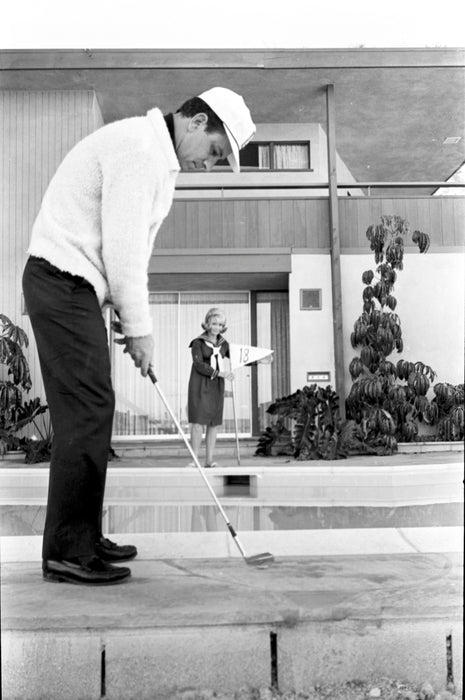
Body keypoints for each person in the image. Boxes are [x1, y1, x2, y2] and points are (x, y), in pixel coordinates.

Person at [22, 88, 256, 585]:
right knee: (86, 408)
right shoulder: (140, 149)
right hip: (61, 279)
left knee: (94, 407)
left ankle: (83, 536)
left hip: (78, 285)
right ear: (194, 121)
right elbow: (125, 251)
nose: (210, 166)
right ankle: (67, 550)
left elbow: (132, 257)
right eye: (214, 152)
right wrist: (142, 329)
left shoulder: (159, 162)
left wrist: (131, 323)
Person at [187, 308, 234, 468]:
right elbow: (198, 365)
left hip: (216, 386)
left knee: (213, 424)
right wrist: (221, 373)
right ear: (207, 324)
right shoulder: (198, 343)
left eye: (220, 325)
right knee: (198, 423)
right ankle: (194, 461)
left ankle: (209, 460)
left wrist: (259, 360)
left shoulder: (224, 344)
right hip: (199, 384)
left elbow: (239, 357)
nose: (217, 328)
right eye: (214, 323)